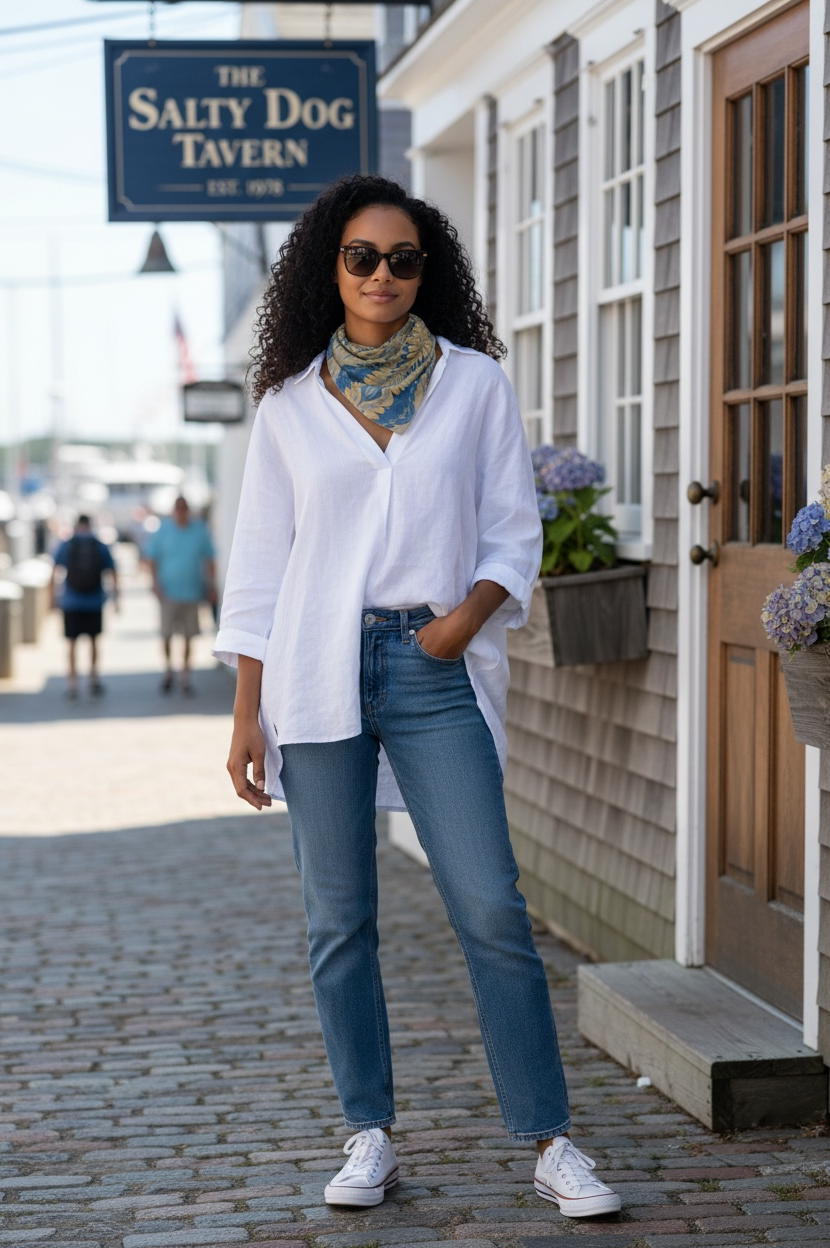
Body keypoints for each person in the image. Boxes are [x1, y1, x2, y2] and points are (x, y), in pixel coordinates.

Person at [214, 174, 621, 1220]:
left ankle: (551, 1140)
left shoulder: (474, 384)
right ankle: (369, 1133)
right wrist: (246, 713)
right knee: (339, 919)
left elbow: (512, 530)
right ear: (331, 269)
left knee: (490, 905)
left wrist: (463, 618)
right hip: (314, 671)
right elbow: (259, 568)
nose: (382, 275)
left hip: (434, 665)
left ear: (424, 270)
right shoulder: (290, 404)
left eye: (402, 259)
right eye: (362, 257)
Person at [146, 496, 216, 695]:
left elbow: (210, 559)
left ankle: (185, 676)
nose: (181, 512)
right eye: (178, 508)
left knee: (189, 636)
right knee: (166, 634)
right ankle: (169, 670)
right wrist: (154, 584)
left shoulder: (199, 531)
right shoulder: (164, 531)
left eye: (184, 508)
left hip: (192, 592)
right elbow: (152, 558)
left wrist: (211, 586)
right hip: (168, 592)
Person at [51, 514, 118, 701]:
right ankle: (93, 678)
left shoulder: (67, 544)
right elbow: (112, 570)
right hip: (94, 601)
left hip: (71, 601)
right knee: (94, 642)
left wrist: (52, 598)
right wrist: (116, 597)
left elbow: (54, 568)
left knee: (71, 643)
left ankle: (72, 683)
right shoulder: (99, 545)